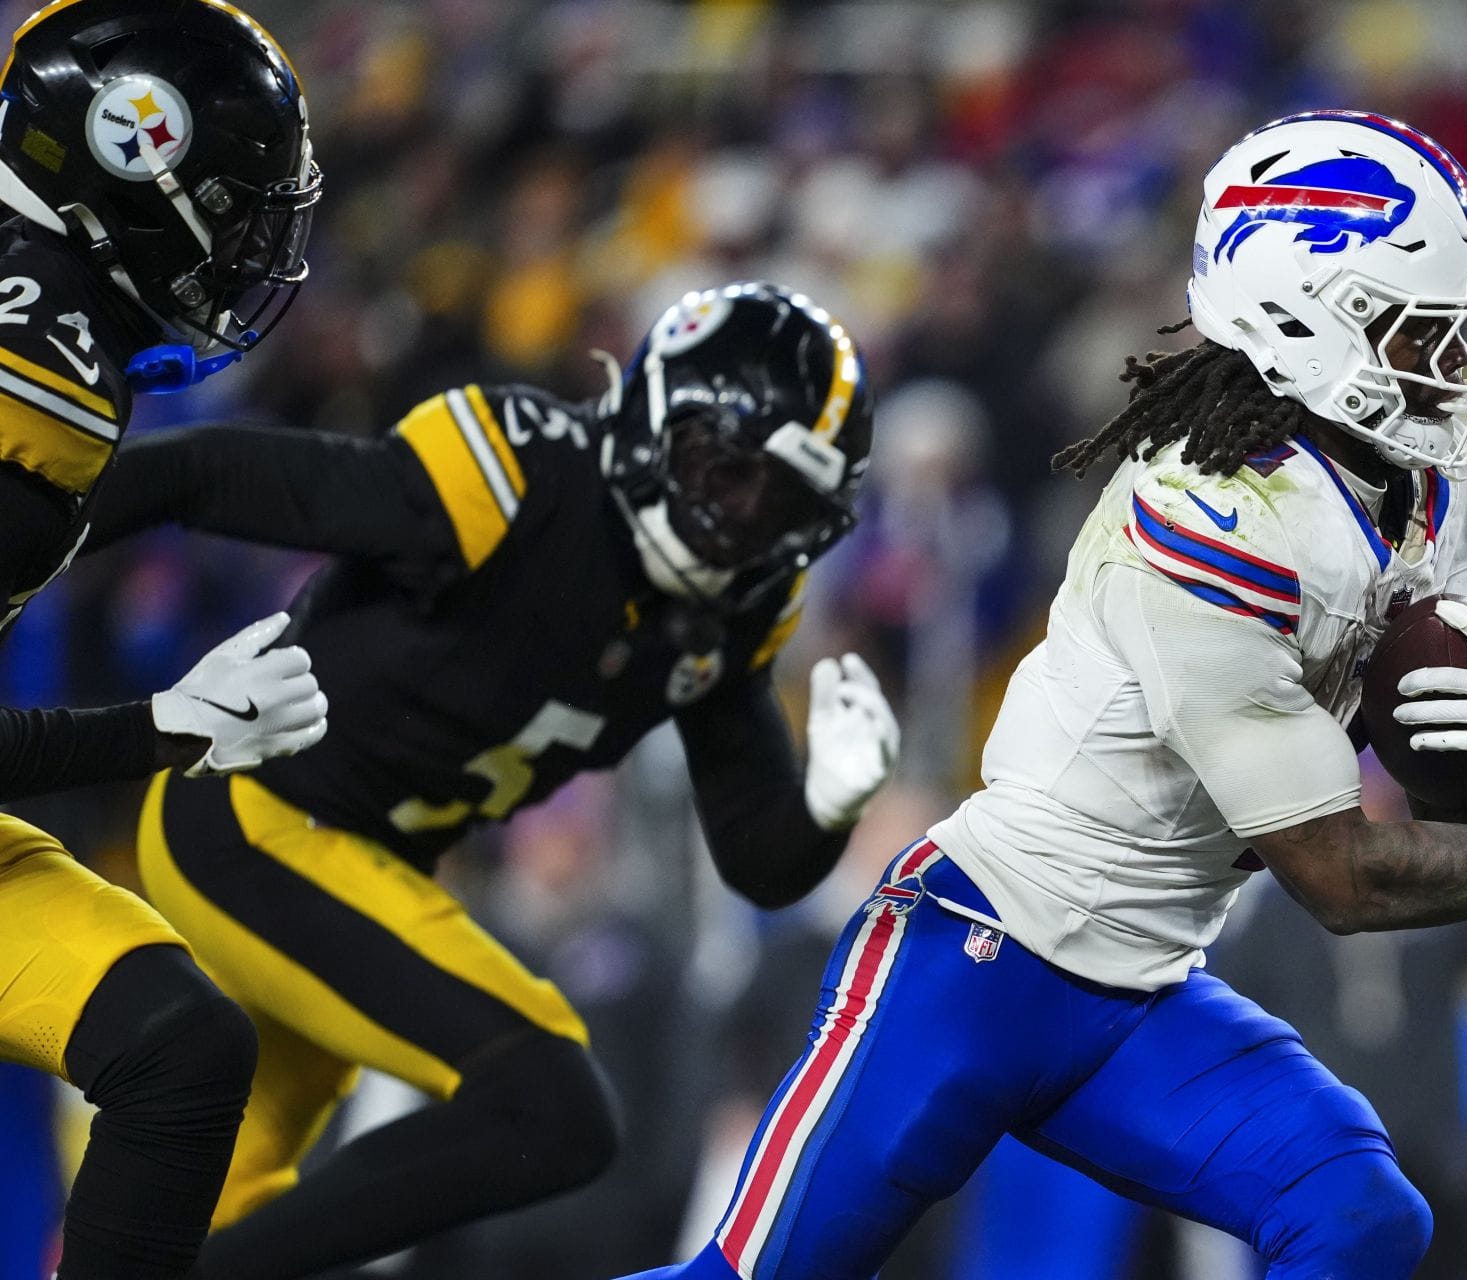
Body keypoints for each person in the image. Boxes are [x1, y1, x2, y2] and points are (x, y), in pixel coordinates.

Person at [617, 110, 1467, 1280]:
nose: (1457, 367)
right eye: (1417, 331)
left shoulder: (1447, 484)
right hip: (979, 957)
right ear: (1302, 321)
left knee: (1359, 1211)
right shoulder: (1205, 518)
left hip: (1145, 984)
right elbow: (1342, 873)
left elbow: (1431, 781)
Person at [81, 282, 901, 1280]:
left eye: (780, 504)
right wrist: (22, 539)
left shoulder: (725, 616)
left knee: (201, 1207)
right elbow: (210, 469)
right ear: (653, 418)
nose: (739, 520)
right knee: (551, 1100)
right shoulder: (521, 470)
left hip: (364, 876)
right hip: (254, 821)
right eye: (724, 473)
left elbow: (760, 856)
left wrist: (827, 806)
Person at [0, 3, 325, 1278]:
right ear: (140, 169)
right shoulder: (39, 379)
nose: (251, 249)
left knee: (179, 1041)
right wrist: (167, 727)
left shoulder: (51, 324)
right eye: (236, 207)